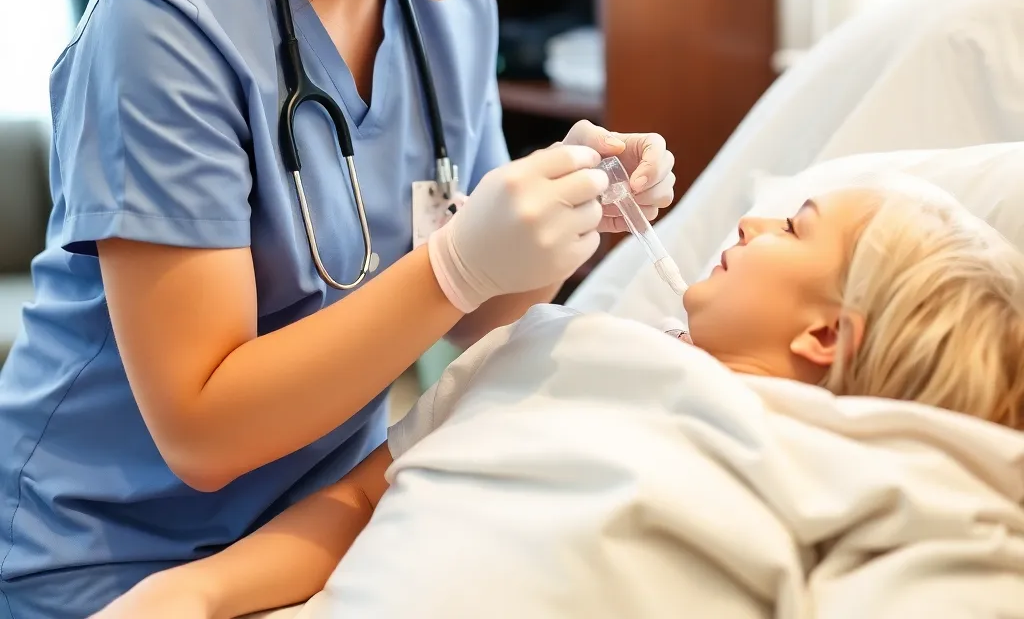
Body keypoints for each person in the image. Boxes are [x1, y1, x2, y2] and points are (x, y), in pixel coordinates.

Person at [0, 0, 678, 618]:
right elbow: (202, 432)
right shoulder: (166, 21)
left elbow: (481, 318)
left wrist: (567, 214)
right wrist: (456, 264)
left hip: (314, 536)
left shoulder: (451, 8)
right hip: (102, 556)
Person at [91, 181, 1024, 618]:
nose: (751, 217)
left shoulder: (837, 466)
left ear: (825, 336)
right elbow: (359, 498)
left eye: (794, 225)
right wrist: (195, 593)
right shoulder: (556, 343)